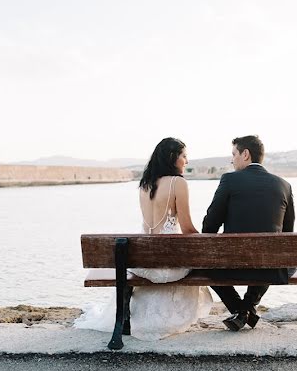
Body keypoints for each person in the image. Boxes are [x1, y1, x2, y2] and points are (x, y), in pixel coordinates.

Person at [73, 137, 212, 340]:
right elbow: (188, 228)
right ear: (173, 157)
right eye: (184, 156)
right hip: (168, 265)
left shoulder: (144, 185)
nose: (187, 161)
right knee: (193, 262)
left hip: (143, 264)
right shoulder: (178, 183)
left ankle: (133, 315)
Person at [201, 135, 296, 331]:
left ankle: (240, 309)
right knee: (272, 257)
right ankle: (249, 306)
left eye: (234, 154)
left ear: (245, 154)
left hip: (232, 265)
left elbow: (210, 226)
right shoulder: (284, 185)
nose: (232, 159)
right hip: (271, 268)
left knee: (202, 267)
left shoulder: (229, 180)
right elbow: (288, 234)